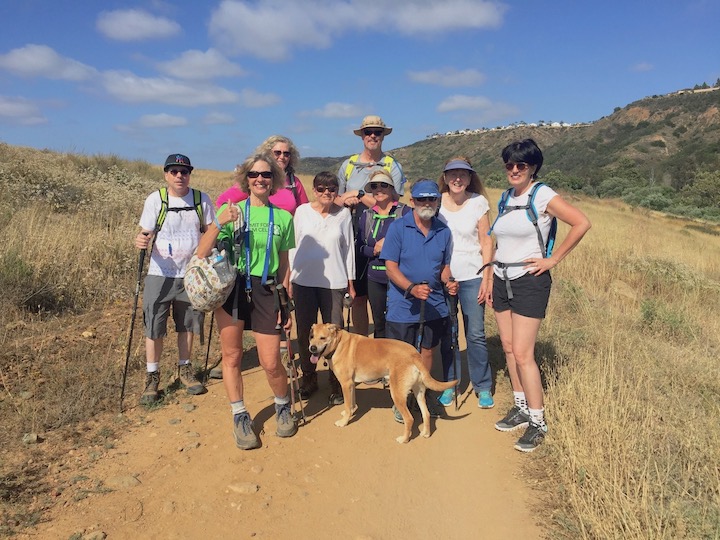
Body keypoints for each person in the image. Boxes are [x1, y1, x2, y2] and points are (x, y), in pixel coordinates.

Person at [489, 138, 591, 452]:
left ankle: (538, 420)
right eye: (510, 164)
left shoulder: (542, 194)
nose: (515, 169)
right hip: (500, 277)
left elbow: (581, 222)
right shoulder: (506, 197)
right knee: (507, 348)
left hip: (529, 281)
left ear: (533, 167)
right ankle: (520, 406)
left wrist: (553, 259)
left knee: (523, 354)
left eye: (522, 165)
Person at [195, 152, 297, 450]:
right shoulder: (232, 211)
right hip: (235, 287)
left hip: (267, 289)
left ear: (274, 179)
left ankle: (282, 406)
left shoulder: (283, 217)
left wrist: (286, 299)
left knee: (270, 362)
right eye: (254, 175)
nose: (260, 179)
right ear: (246, 180)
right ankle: (239, 415)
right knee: (233, 357)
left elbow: (284, 261)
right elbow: (201, 253)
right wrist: (218, 223)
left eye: (266, 175)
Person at [211, 135, 309, 380]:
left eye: (286, 153)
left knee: (276, 330)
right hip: (245, 263)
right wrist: (226, 217)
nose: (282, 157)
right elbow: (225, 201)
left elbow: (305, 211)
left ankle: (284, 361)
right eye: (277, 153)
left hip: (277, 247)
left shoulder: (294, 183)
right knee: (234, 341)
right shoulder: (254, 176)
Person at [135, 153, 215, 405]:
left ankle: (185, 369)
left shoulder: (202, 200)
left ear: (190, 174)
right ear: (165, 174)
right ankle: (152, 375)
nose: (179, 176)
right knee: (154, 326)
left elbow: (210, 232)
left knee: (189, 324)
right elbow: (145, 232)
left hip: (192, 273)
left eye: (184, 171)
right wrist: (140, 240)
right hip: (160, 273)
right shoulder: (155, 200)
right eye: (174, 171)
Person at [381, 179, 458, 421]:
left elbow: (443, 266)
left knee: (427, 350)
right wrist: (411, 288)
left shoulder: (443, 231)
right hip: (403, 303)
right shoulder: (398, 228)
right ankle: (401, 399)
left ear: (437, 201)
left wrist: (449, 280)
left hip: (433, 303)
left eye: (431, 199)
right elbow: (391, 267)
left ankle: (422, 395)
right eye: (421, 199)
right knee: (401, 355)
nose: (427, 203)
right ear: (412, 201)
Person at [336, 115, 406, 337]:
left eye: (377, 131)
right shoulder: (348, 166)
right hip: (354, 229)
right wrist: (345, 199)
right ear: (362, 136)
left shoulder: (392, 166)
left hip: (384, 230)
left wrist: (356, 194)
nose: (373, 135)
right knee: (357, 295)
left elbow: (390, 202)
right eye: (368, 132)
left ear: (384, 135)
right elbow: (335, 200)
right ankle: (361, 344)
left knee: (386, 293)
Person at [290, 171, 355, 405]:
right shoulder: (302, 212)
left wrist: (351, 282)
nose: (326, 192)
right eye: (321, 188)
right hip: (303, 280)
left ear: (337, 191)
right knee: (306, 330)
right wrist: (289, 279)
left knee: (334, 334)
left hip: (335, 283)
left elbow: (348, 250)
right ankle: (308, 376)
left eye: (331, 188)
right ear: (314, 190)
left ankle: (336, 380)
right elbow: (292, 246)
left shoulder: (344, 215)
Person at [436, 157, 494, 409]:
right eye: (452, 174)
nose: (457, 178)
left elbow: (486, 241)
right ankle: (450, 384)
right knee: (448, 333)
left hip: (473, 276)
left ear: (471, 178)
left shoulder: (479, 202)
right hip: (444, 277)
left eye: (463, 174)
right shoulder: (436, 201)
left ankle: (482, 386)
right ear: (445, 177)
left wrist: (487, 277)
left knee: (476, 334)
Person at [356, 169, 411, 339]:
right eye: (374, 186)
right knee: (379, 323)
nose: (379, 189)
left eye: (384, 185)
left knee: (400, 321)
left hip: (398, 276)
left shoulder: (405, 213)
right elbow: (360, 247)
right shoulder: (366, 216)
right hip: (374, 277)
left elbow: (411, 242)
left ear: (392, 188)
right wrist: (373, 250)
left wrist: (389, 243)